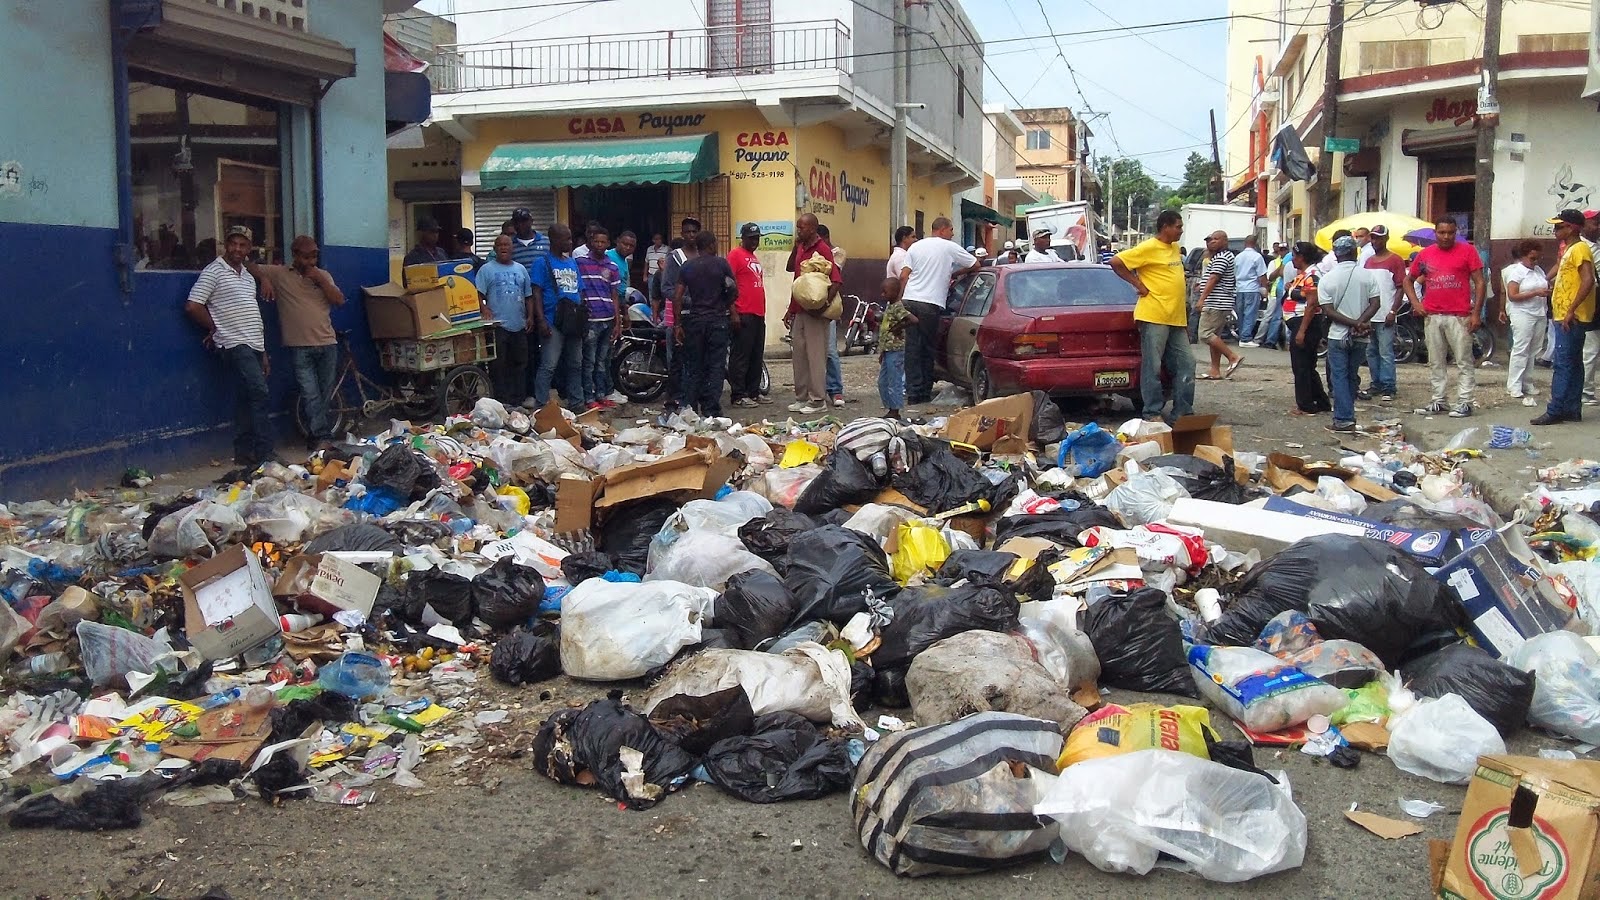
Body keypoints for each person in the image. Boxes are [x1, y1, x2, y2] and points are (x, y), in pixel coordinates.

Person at [184, 227, 272, 468]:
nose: (237, 249)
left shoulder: (246, 275)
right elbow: (193, 305)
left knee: (247, 396)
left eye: (242, 245)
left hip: (252, 342)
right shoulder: (214, 271)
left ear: (249, 249)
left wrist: (263, 353)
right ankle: (266, 452)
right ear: (226, 245)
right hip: (233, 342)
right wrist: (214, 328)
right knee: (259, 391)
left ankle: (243, 453)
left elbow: (252, 314)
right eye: (233, 243)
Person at [249, 235, 345, 450]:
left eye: (314, 257)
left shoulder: (323, 275)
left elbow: (339, 301)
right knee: (310, 393)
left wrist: (319, 279)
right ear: (294, 256)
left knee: (324, 393)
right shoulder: (281, 274)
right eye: (306, 257)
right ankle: (322, 436)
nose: (310, 262)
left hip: (327, 343)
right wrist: (264, 279)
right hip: (300, 346)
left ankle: (316, 436)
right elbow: (249, 265)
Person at [1111, 210, 1194, 422]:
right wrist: (1138, 284)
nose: (1180, 230)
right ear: (1165, 226)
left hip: (1175, 317)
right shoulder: (1148, 247)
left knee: (1187, 363)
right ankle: (1152, 412)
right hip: (1154, 315)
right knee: (1153, 366)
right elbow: (1116, 262)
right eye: (1177, 226)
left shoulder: (1174, 248)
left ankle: (1182, 413)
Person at [1404, 218, 1486, 417]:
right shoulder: (1425, 255)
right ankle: (1439, 400)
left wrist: (1476, 313)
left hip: (1459, 316)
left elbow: (1480, 282)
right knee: (1436, 361)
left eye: (1450, 232)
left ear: (1456, 232)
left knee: (1464, 361)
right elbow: (1408, 280)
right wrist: (1416, 303)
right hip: (1433, 315)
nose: (1446, 236)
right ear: (1436, 233)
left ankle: (1465, 401)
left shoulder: (1468, 251)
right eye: (1442, 232)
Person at [899, 216, 981, 405]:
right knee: (927, 349)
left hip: (910, 300)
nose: (953, 234)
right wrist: (954, 274)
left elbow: (903, 276)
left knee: (912, 349)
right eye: (951, 230)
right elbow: (975, 264)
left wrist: (900, 301)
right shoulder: (948, 246)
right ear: (942, 230)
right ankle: (924, 392)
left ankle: (913, 392)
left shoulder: (916, 246)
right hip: (930, 303)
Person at [1533, 209, 1596, 425]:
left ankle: (1556, 409)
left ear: (1571, 228)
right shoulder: (1571, 249)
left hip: (1571, 316)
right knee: (1574, 362)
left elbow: (1588, 280)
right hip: (1566, 313)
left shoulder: (1579, 249)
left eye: (1559, 227)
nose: (1555, 230)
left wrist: (1571, 309)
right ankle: (1571, 408)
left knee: (1563, 363)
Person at [1317, 235, 1381, 433]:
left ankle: (1344, 418)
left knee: (1339, 376)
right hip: (1361, 335)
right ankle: (1348, 413)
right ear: (1355, 252)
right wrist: (1360, 323)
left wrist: (1352, 323)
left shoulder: (1327, 279)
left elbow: (1328, 311)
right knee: (1352, 374)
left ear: (1336, 255)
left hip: (1338, 335)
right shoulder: (1368, 276)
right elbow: (1376, 303)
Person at [673, 230, 737, 417]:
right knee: (715, 366)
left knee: (694, 365)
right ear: (711, 245)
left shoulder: (687, 267)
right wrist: (725, 304)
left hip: (695, 321)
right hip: (717, 320)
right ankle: (711, 409)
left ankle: (691, 407)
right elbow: (733, 288)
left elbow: (677, 297)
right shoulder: (721, 264)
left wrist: (677, 325)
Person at [785, 213, 841, 413]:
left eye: (802, 228)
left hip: (815, 313)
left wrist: (824, 306)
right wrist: (789, 311)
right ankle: (802, 396)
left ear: (813, 228)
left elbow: (836, 280)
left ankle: (818, 400)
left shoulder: (822, 249)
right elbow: (792, 270)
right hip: (800, 309)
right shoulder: (801, 247)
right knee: (799, 355)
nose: (799, 230)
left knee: (816, 356)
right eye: (798, 227)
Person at [475, 234, 535, 406]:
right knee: (499, 365)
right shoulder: (486, 269)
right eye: (500, 245)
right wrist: (484, 308)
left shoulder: (520, 269)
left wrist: (530, 316)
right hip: (498, 325)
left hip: (519, 323)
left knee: (520, 363)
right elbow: (478, 294)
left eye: (507, 245)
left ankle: (518, 399)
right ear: (495, 248)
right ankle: (501, 400)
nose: (504, 247)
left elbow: (528, 296)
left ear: (512, 248)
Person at [529, 224, 583, 410]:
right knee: (549, 365)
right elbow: (536, 292)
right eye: (566, 239)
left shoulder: (572, 262)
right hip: (552, 319)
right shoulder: (542, 263)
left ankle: (577, 402)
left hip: (574, 319)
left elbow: (579, 290)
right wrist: (541, 319)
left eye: (570, 238)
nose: (570, 242)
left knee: (576, 364)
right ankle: (541, 403)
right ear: (554, 240)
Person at [576, 226, 623, 411]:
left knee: (603, 360)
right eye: (596, 241)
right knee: (589, 361)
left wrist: (617, 321)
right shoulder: (580, 262)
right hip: (590, 319)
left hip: (608, 318)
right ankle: (589, 397)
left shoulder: (612, 267)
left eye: (603, 242)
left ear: (608, 244)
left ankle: (601, 395)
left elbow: (615, 295)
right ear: (590, 242)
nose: (599, 245)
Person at [1360, 225, 1406, 403]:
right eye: (1372, 238)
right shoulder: (1369, 261)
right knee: (1371, 351)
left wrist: (1393, 310)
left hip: (1386, 312)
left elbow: (1401, 287)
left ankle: (1389, 385)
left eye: (1378, 238)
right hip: (1370, 314)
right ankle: (1376, 382)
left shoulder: (1395, 260)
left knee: (1386, 351)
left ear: (1386, 239)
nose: (1375, 241)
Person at [1284, 242, 1332, 417]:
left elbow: (1312, 304)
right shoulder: (1304, 275)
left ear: (1301, 257)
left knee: (1301, 366)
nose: (1292, 259)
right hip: (1300, 322)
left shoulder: (1312, 275)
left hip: (1305, 323)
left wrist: (1302, 331)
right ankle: (1320, 401)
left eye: (1294, 256)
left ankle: (1305, 405)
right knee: (1307, 366)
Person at [1500, 240, 1549, 406]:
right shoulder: (1517, 272)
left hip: (1539, 312)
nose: (1535, 262)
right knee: (1521, 348)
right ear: (1523, 257)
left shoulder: (1538, 271)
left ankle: (1527, 382)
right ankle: (1514, 384)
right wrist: (1535, 292)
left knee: (1534, 349)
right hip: (1522, 313)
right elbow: (1512, 295)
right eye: (1532, 258)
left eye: (1537, 258)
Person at [725, 222, 769, 408]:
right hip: (743, 312)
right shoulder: (735, 255)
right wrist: (733, 311)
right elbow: (727, 284)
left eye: (757, 238)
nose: (754, 241)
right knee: (740, 356)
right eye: (751, 238)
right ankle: (738, 394)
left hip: (758, 312)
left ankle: (754, 391)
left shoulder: (753, 257)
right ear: (742, 238)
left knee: (756, 355)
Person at [1195, 230, 1244, 380]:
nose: (1212, 242)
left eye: (1216, 239)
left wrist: (1202, 298)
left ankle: (1232, 357)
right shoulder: (1218, 257)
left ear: (1225, 241)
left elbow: (1214, 279)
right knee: (1214, 336)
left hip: (1216, 302)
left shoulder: (1222, 257)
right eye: (1210, 240)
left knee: (1205, 334)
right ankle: (1215, 370)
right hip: (1220, 302)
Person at [812, 224, 847, 407]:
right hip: (812, 305)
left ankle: (835, 389)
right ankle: (816, 390)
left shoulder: (837, 253)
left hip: (829, 306)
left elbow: (832, 274)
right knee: (813, 351)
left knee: (831, 351)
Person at [876, 276, 916, 419]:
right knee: (882, 382)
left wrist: (899, 327)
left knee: (894, 381)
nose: (882, 295)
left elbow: (913, 320)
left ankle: (895, 410)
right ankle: (890, 407)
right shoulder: (890, 306)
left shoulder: (898, 306)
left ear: (894, 292)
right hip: (887, 350)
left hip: (895, 351)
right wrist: (881, 352)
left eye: (885, 292)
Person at [1250, 241, 1293, 349]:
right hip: (1276, 291)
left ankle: (1271, 340)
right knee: (1273, 317)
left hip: (1281, 290)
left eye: (1285, 250)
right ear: (1278, 251)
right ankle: (1263, 340)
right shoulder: (1275, 262)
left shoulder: (1288, 259)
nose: (1283, 252)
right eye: (1281, 250)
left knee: (1277, 317)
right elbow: (1270, 277)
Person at [1233, 234, 1267, 345]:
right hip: (1252, 288)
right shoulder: (1257, 257)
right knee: (1250, 313)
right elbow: (1262, 275)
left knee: (1241, 313)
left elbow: (1234, 273)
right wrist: (1265, 288)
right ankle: (1246, 338)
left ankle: (1242, 336)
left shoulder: (1238, 257)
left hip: (1239, 288)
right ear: (1255, 243)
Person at [1582, 210, 1600, 406]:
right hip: (1591, 303)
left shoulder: (1596, 246)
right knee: (1590, 349)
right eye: (1594, 223)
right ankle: (1585, 391)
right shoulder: (1581, 247)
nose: (1598, 226)